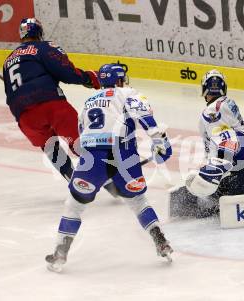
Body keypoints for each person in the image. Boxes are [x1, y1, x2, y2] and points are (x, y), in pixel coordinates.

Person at [45, 63, 173, 272]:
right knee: (139, 201)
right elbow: (144, 116)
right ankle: (161, 242)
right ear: (120, 80)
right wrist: (159, 140)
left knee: (74, 204)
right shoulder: (126, 92)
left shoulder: (88, 101)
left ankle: (60, 253)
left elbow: (82, 133)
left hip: (92, 159)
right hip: (124, 156)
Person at [2, 17, 100, 181]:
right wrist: (89, 78)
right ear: (39, 32)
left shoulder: (7, 61)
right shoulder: (43, 47)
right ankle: (111, 182)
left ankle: (73, 180)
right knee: (78, 143)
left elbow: (10, 93)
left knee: (49, 147)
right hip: (51, 106)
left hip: (24, 117)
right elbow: (66, 73)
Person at [170, 69, 244, 218]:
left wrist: (212, 173)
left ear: (204, 89)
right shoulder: (227, 103)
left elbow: (226, 141)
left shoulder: (211, 112)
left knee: (204, 202)